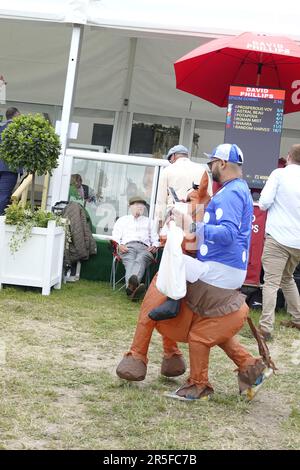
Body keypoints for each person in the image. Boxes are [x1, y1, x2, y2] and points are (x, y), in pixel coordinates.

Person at [117, 144, 275, 401]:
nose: (210, 167)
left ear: (222, 163)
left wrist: (194, 225)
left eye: (212, 162)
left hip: (221, 269)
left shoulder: (230, 194)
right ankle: (251, 370)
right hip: (225, 267)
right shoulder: (236, 191)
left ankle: (172, 315)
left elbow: (228, 234)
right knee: (207, 321)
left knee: (169, 269)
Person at [258, 144, 300, 340]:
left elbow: (264, 202)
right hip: (297, 241)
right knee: (287, 278)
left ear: (289, 157)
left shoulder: (279, 174)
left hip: (278, 237)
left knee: (272, 282)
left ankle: (265, 327)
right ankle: (298, 319)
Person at [112, 196, 160, 300]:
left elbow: (156, 240)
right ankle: (134, 289)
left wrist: (155, 246)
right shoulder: (122, 220)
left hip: (145, 249)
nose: (140, 207)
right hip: (127, 247)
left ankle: (131, 288)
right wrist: (119, 245)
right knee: (130, 261)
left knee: (140, 259)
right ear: (130, 206)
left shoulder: (149, 222)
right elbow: (115, 237)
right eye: (137, 205)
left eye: (142, 205)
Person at [155, 144, 212, 229]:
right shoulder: (202, 170)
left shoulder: (167, 170)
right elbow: (209, 196)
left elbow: (161, 201)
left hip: (174, 218)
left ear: (173, 156)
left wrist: (160, 222)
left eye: (170, 160)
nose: (171, 162)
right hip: (196, 218)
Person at [0, 107, 21, 214]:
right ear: (16, 115)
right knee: (3, 195)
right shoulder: (20, 132)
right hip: (10, 169)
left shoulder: (0, 129)